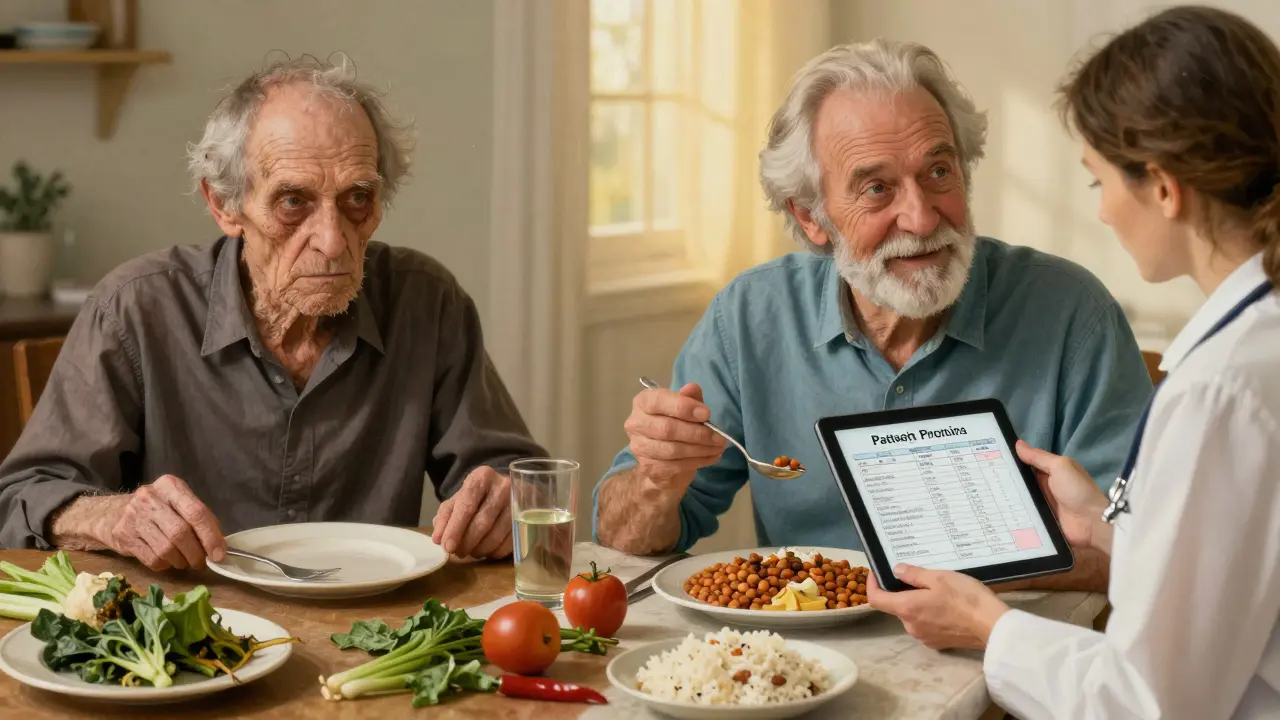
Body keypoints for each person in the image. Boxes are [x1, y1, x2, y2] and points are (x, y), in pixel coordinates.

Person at [592, 38, 1152, 594]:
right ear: (811, 217)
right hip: (801, 668)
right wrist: (655, 482)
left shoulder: (1073, 314)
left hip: (1005, 662)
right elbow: (619, 538)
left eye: (938, 172)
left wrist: (969, 578)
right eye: (877, 188)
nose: (921, 216)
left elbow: (1145, 552)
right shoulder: (750, 319)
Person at [866, 7, 1280, 719]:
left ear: (1162, 185)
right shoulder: (1252, 348)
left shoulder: (1222, 390)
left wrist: (988, 627)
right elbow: (1235, 580)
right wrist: (1109, 524)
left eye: (1098, 182)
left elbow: (1150, 703)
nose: (1102, 213)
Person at [0, 57, 545, 568]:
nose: (332, 242)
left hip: (368, 643)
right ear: (224, 205)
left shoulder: (427, 303)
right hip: (187, 643)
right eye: (293, 203)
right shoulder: (135, 309)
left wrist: (504, 499)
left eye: (357, 199)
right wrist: (111, 517)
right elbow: (22, 498)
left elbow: (524, 482)